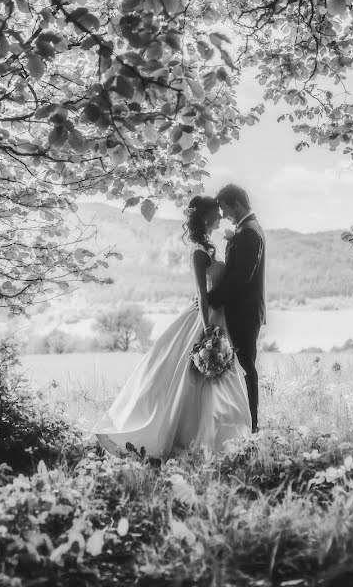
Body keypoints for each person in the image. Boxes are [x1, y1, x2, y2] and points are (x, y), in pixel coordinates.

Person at [94, 196, 251, 459]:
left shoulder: (212, 248)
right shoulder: (199, 253)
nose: (221, 217)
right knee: (192, 380)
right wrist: (207, 328)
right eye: (216, 213)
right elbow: (202, 294)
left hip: (220, 317)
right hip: (205, 318)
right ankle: (189, 438)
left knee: (219, 379)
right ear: (206, 217)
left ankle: (220, 439)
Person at [207, 184, 266, 432]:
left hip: (244, 311)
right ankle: (243, 422)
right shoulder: (246, 229)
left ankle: (252, 426)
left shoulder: (250, 233)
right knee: (241, 366)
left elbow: (241, 277)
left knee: (245, 367)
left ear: (236, 204)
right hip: (241, 309)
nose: (223, 215)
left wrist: (211, 299)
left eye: (225, 209)